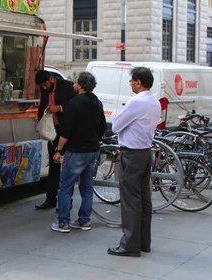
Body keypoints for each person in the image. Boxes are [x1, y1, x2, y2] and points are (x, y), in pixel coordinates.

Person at [108, 67, 161, 257]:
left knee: (130, 200)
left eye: (131, 81)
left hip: (131, 154)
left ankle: (130, 244)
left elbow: (115, 126)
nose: (130, 84)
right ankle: (143, 241)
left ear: (138, 82)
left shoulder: (137, 102)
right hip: (146, 152)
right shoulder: (154, 101)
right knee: (144, 199)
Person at [50, 72, 106, 233]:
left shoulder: (74, 104)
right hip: (93, 150)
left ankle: (63, 222)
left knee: (66, 187)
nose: (73, 85)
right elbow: (102, 126)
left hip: (76, 150)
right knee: (87, 187)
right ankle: (84, 221)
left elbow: (66, 131)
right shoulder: (97, 102)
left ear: (80, 85)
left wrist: (58, 150)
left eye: (75, 82)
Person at [34, 69, 76, 210]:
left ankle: (65, 201)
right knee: (53, 165)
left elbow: (75, 105)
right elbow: (42, 107)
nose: (45, 88)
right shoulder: (45, 89)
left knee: (67, 167)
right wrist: (39, 123)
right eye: (42, 87)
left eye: (45, 84)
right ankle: (50, 199)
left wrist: (59, 108)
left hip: (67, 131)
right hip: (53, 131)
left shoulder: (68, 86)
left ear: (52, 79)